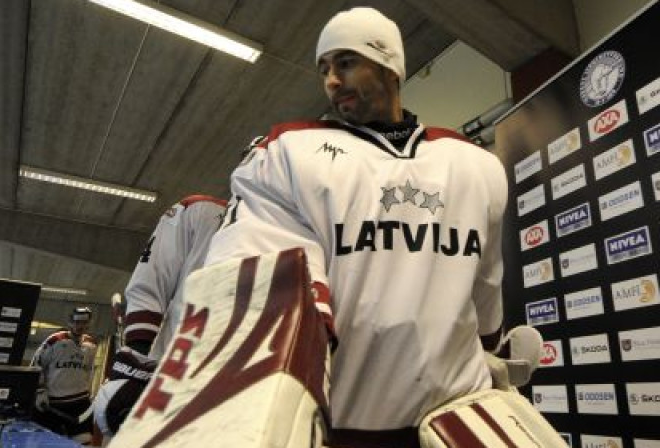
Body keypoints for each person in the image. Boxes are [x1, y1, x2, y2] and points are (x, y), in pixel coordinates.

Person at [204, 7, 508, 447]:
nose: (330, 79)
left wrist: (489, 352)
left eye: (346, 62)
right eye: (324, 68)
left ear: (391, 68)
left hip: (454, 423)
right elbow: (252, 272)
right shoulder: (290, 153)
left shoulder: (475, 165)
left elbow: (486, 285)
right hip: (345, 428)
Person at [92, 194, 227, 441]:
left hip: (230, 396)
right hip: (165, 384)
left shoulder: (297, 230)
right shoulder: (200, 210)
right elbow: (149, 285)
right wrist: (136, 361)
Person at [31, 306, 97, 444]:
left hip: (80, 402)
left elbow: (89, 370)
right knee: (45, 443)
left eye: (84, 322)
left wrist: (89, 391)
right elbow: (36, 364)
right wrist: (40, 391)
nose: (80, 326)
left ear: (89, 323)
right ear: (70, 323)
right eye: (77, 322)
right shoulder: (54, 341)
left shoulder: (91, 345)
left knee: (84, 441)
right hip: (53, 404)